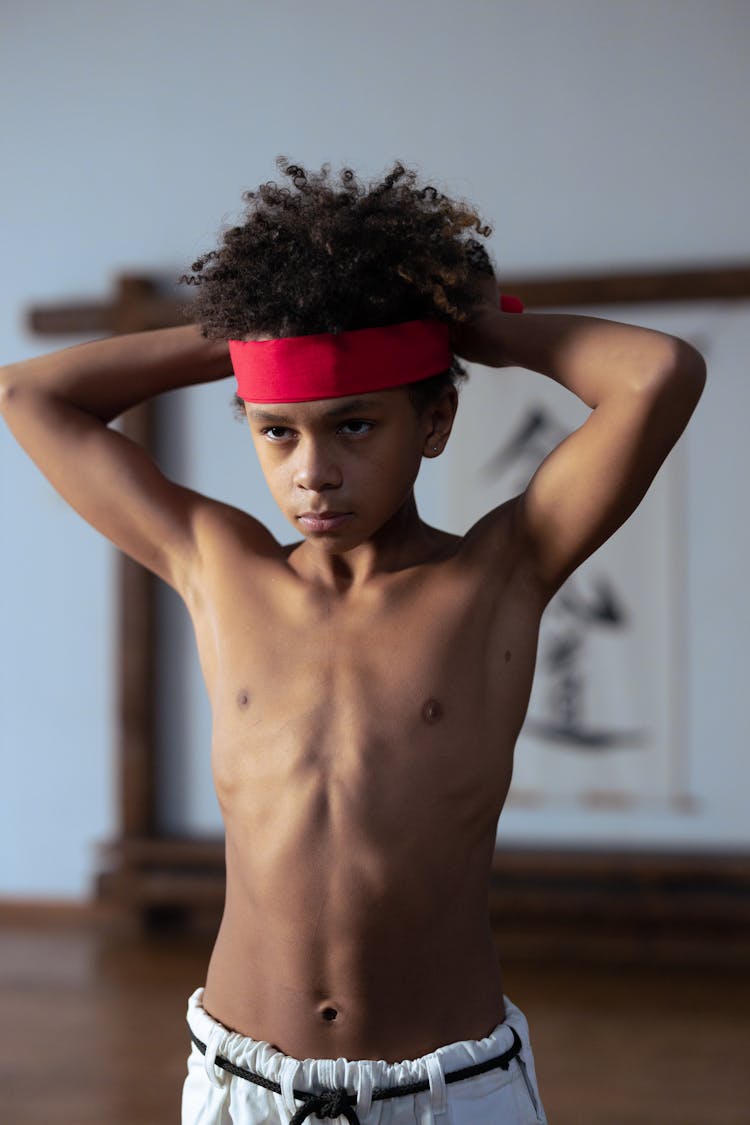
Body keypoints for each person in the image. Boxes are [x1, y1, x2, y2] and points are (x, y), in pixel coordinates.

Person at [0, 159, 706, 1125]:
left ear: (436, 420)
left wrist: (471, 329)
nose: (314, 473)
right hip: (242, 1087)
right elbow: (28, 396)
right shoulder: (221, 567)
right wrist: (245, 338)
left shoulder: (499, 573)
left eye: (356, 423)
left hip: (451, 1092)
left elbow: (658, 373)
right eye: (278, 433)